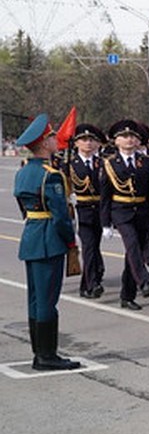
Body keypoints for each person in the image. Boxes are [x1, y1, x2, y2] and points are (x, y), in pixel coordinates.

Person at [16, 114, 82, 371]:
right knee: (47, 300)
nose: (56, 140)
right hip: (48, 240)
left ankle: (38, 352)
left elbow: (23, 206)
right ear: (44, 143)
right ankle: (47, 356)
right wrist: (70, 242)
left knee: (35, 298)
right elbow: (61, 218)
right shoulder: (50, 176)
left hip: (31, 235)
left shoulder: (23, 172)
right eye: (52, 137)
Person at [100, 120, 149, 310]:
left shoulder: (147, 163)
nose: (129, 139)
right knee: (132, 244)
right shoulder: (109, 164)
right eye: (124, 136)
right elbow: (105, 196)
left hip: (141, 211)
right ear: (116, 141)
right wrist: (106, 223)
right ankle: (143, 280)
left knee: (131, 256)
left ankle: (127, 296)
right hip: (121, 211)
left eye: (133, 136)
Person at [67, 123, 107, 299]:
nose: (88, 143)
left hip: (100, 210)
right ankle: (92, 284)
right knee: (89, 247)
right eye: (83, 139)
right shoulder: (69, 165)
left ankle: (87, 283)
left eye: (91, 140)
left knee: (94, 247)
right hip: (81, 212)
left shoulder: (103, 163)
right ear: (76, 143)